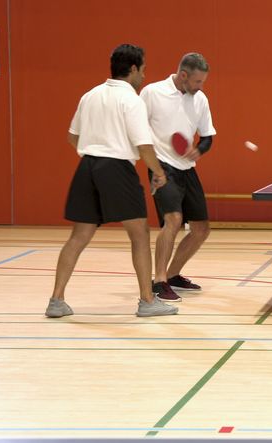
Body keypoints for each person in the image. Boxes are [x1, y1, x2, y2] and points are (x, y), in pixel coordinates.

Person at [45, 44, 178, 318]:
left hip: (87, 166)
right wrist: (159, 173)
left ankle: (56, 301)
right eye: (142, 70)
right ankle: (147, 301)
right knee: (139, 234)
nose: (143, 75)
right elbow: (144, 147)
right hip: (117, 168)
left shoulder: (90, 95)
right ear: (132, 69)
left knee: (79, 236)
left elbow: (73, 138)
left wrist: (96, 151)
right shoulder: (132, 100)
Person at [140, 52, 216, 302]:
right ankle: (159, 281)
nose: (200, 86)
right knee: (172, 220)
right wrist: (146, 162)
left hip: (186, 168)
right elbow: (137, 127)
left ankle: (173, 275)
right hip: (161, 166)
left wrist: (199, 150)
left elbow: (207, 137)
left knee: (201, 229)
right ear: (183, 75)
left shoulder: (200, 99)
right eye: (197, 81)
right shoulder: (152, 93)